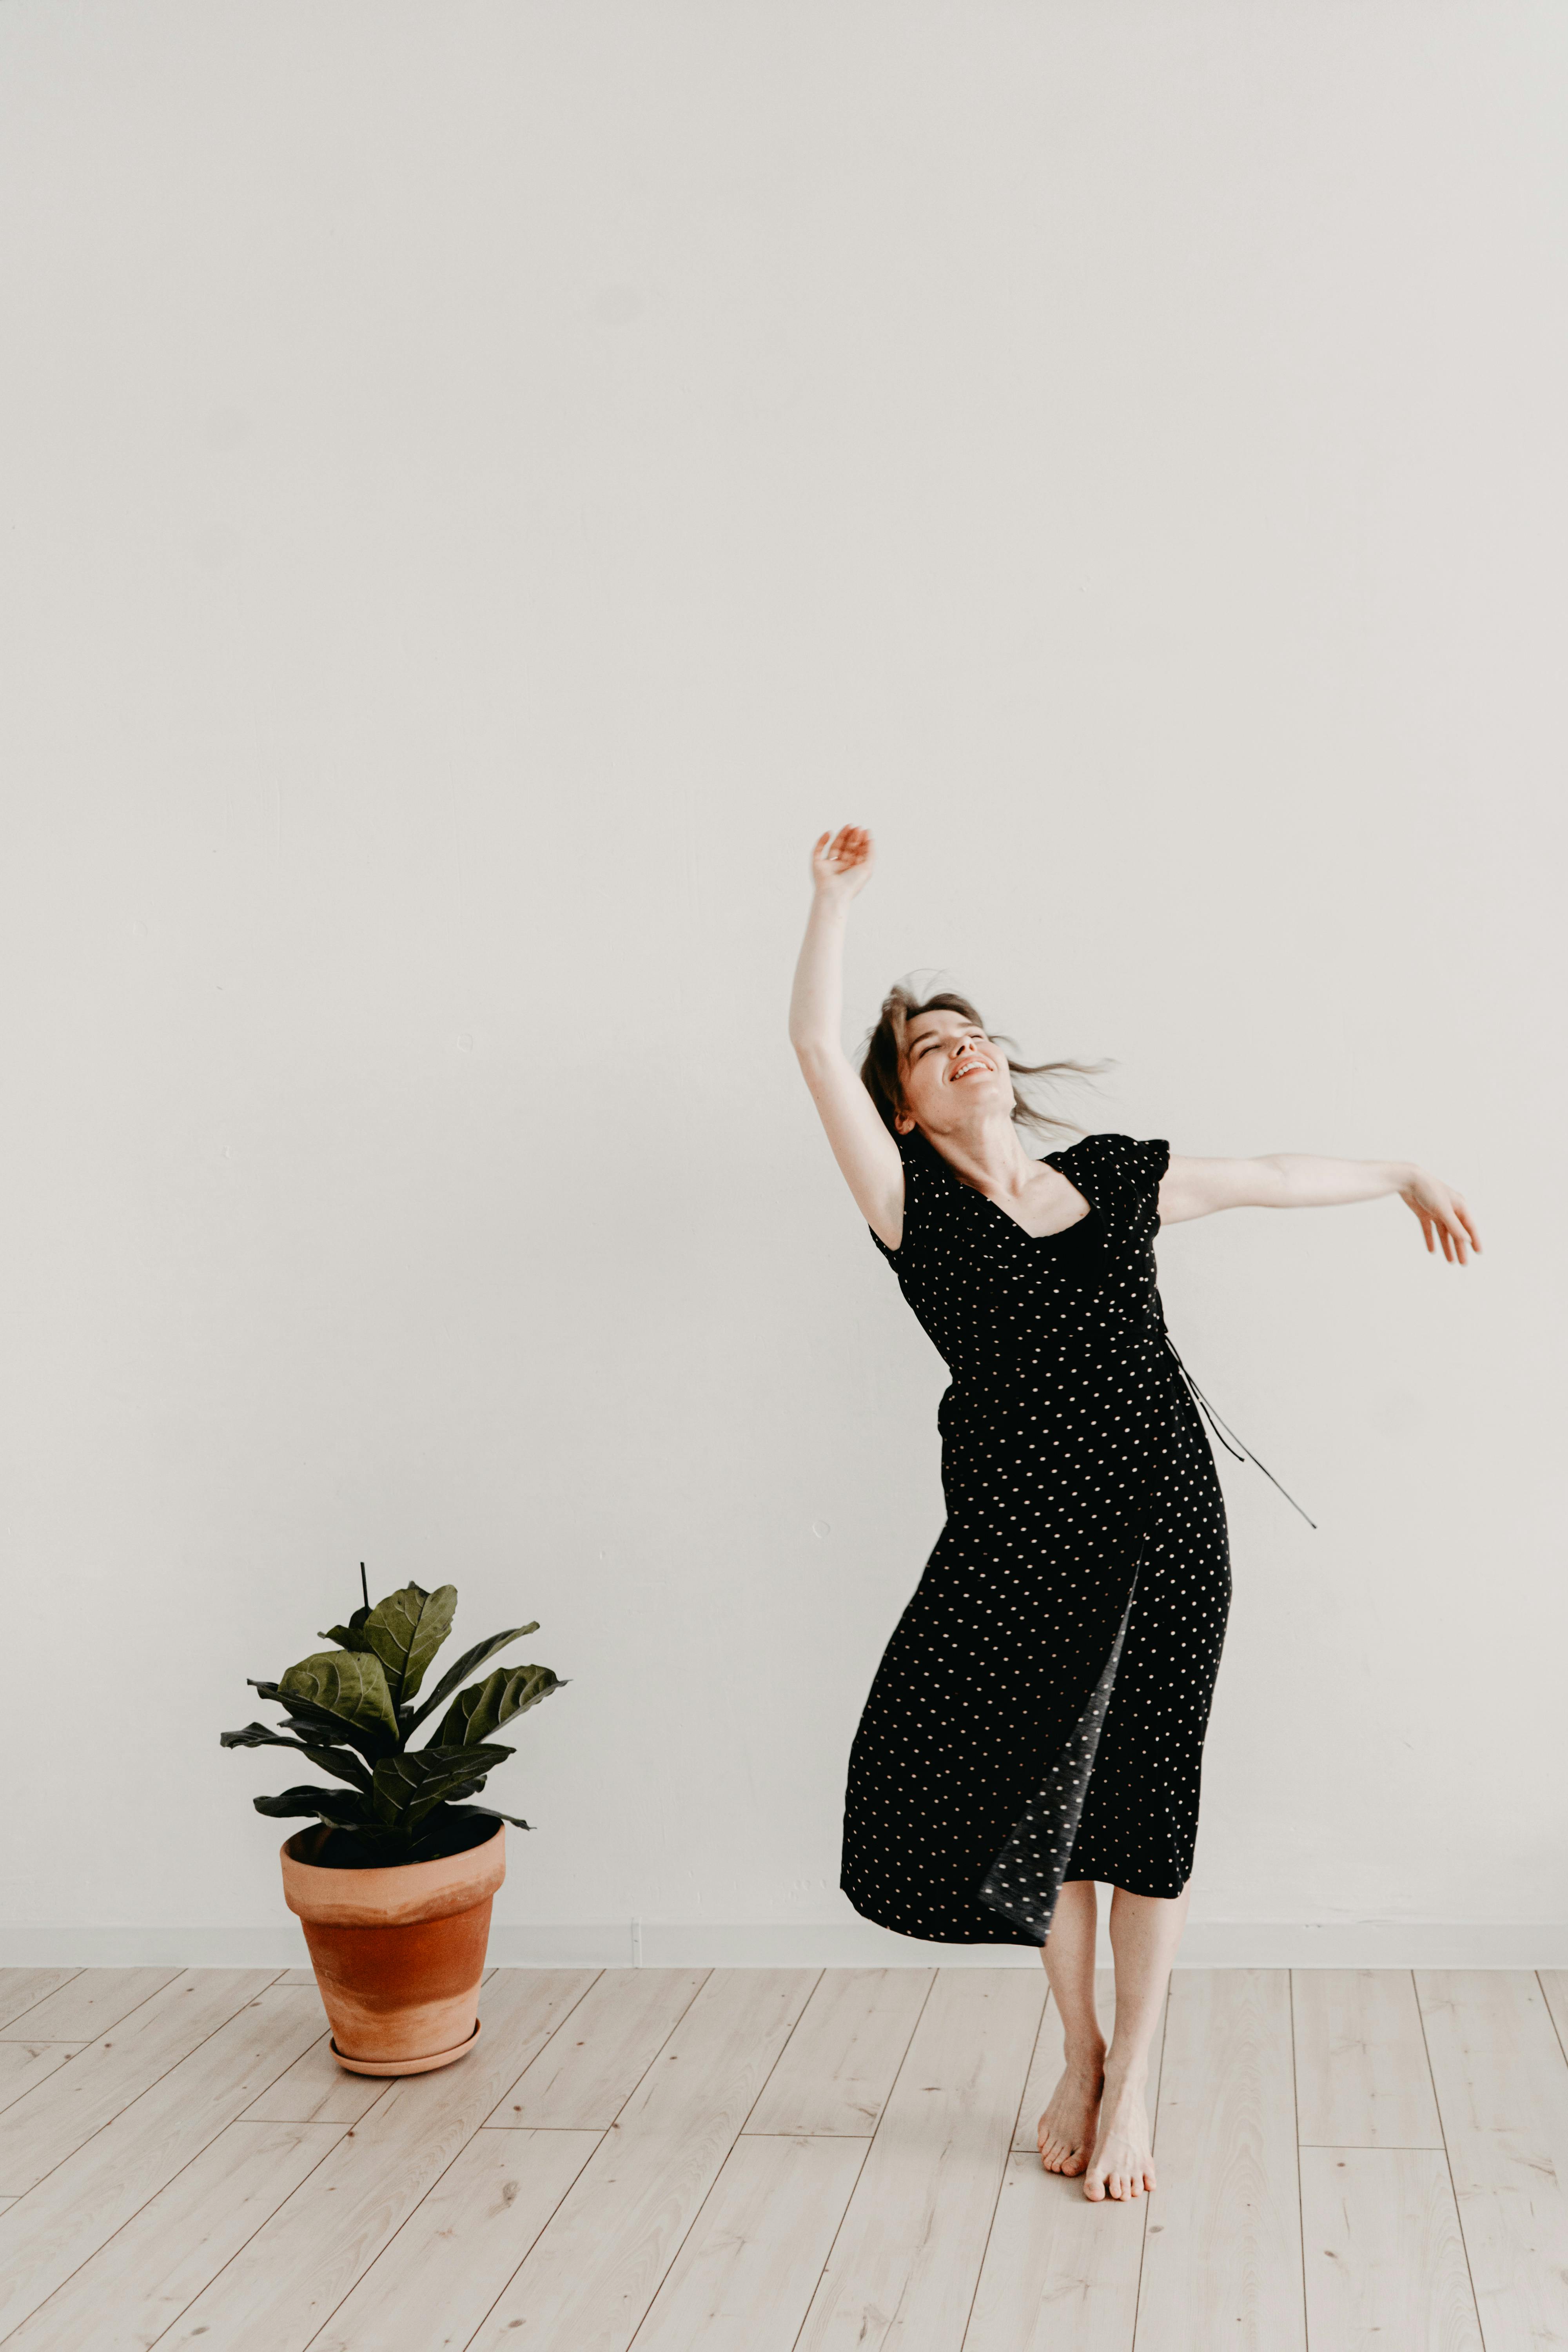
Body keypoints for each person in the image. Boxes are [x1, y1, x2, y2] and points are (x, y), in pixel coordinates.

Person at [788, 824, 1479, 2204]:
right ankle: (1081, 2053)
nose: (963, 1051)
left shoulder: (1111, 1175)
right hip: (1017, 1540)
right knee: (1049, 1803)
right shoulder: (907, 1206)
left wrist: (1399, 1168)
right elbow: (814, 1048)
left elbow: (1271, 1176)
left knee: (1146, 1805)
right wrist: (833, 906)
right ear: (909, 1106)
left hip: (1168, 1525)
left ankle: (1139, 2082)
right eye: (932, 1051)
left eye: (972, 1034)